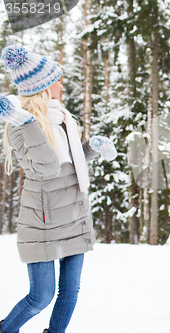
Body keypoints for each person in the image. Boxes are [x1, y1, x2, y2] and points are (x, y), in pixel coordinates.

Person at [0, 44, 117, 333]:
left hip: (73, 215)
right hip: (42, 221)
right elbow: (46, 169)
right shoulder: (19, 124)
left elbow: (67, 164)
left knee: (70, 292)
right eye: (56, 80)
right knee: (40, 296)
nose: (62, 85)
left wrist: (91, 147)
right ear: (42, 86)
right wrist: (28, 124)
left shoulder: (63, 118)